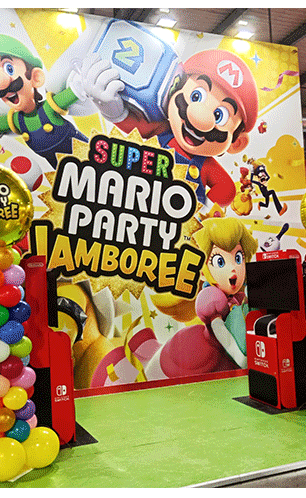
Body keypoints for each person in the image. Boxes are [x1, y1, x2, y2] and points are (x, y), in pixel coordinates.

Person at [78, 49, 258, 208]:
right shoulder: (162, 130)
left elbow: (226, 189)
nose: (200, 118)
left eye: (220, 115)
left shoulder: (205, 165)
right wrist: (112, 109)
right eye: (196, 96)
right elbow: (136, 127)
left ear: (237, 143)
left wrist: (202, 212)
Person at [137, 216, 258, 380]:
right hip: (207, 352)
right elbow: (222, 333)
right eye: (220, 261)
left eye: (238, 258)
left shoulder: (239, 297)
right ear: (202, 271)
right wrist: (241, 357)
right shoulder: (211, 298)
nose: (233, 269)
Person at [0, 34, 87, 168]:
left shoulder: (48, 108)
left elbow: (73, 92)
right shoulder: (17, 120)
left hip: (90, 154)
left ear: (35, 77)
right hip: (64, 170)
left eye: (9, 68)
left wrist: (84, 82)